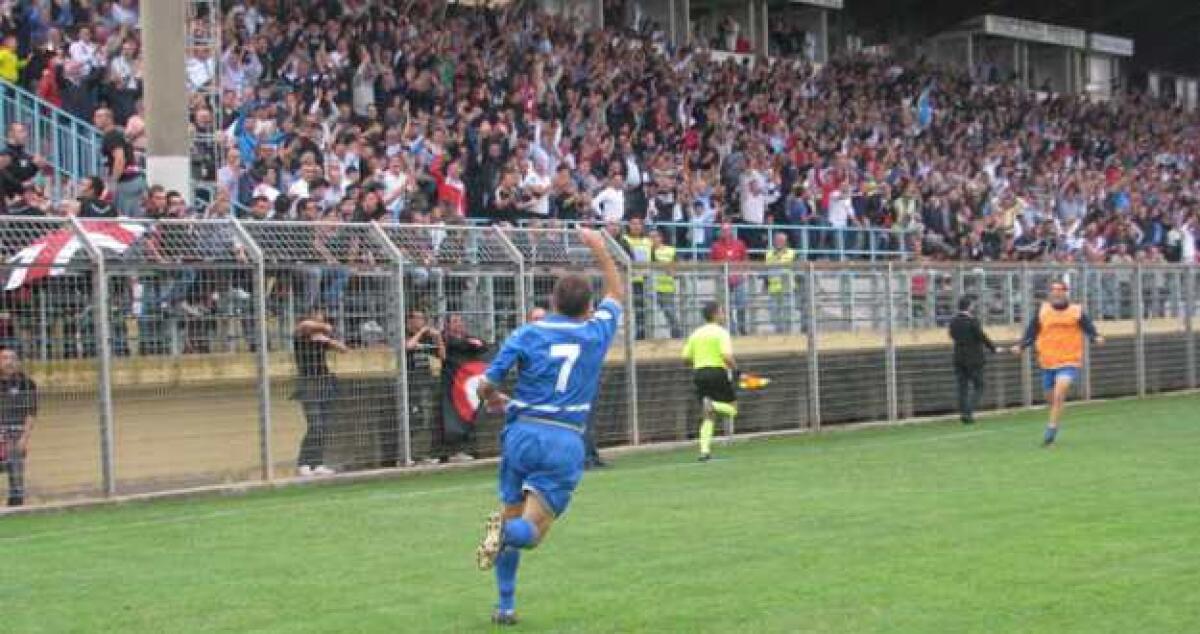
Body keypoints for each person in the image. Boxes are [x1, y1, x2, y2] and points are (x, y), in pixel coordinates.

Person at [475, 228, 624, 626]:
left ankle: (506, 605)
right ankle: (505, 534)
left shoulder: (528, 332)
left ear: (553, 302)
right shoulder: (596, 331)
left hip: (521, 432)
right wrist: (600, 248)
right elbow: (617, 292)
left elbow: (486, 383)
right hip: (563, 439)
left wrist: (492, 397)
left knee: (512, 513)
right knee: (530, 533)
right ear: (589, 307)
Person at [1011, 280, 1104, 446]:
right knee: (1052, 400)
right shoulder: (1043, 311)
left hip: (1069, 360)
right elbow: (1031, 332)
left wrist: (1096, 337)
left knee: (1060, 392)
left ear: (1066, 292)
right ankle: (1055, 418)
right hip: (1048, 362)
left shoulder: (1076, 311)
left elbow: (1088, 328)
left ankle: (1050, 432)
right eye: (1054, 290)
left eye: (1060, 290)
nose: (1057, 293)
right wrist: (1021, 346)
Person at [292, 307, 347, 477]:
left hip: (325, 383)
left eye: (321, 320)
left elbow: (343, 349)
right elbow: (305, 326)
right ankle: (303, 463)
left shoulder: (321, 339)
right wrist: (323, 328)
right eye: (317, 320)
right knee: (315, 426)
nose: (320, 323)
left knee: (324, 426)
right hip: (309, 384)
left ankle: (317, 463)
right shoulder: (300, 335)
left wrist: (326, 339)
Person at [682, 301, 738, 461]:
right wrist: (736, 369)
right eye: (722, 312)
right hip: (716, 372)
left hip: (699, 373)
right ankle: (713, 405)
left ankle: (704, 451)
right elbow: (726, 356)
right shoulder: (721, 333)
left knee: (708, 416)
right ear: (715, 315)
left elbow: (685, 358)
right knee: (733, 409)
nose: (724, 315)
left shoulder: (696, 333)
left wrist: (699, 361)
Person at [948, 296, 996, 425]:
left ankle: (963, 413)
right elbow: (982, 336)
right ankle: (968, 411)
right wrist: (993, 348)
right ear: (969, 306)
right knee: (979, 386)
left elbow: (952, 335)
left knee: (962, 387)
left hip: (959, 357)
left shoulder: (953, 321)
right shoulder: (972, 321)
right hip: (974, 358)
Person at [0, 347, 36, 506]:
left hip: (16, 432)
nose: (9, 362)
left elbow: (31, 413)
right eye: (5, 358)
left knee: (15, 472)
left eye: (12, 358)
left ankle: (16, 503)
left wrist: (24, 438)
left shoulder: (26, 383)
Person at [764, 231, 796, 334]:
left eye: (781, 240)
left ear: (786, 242)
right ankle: (778, 332)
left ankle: (789, 333)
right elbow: (766, 270)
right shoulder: (768, 254)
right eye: (777, 240)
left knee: (788, 312)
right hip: (773, 288)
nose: (779, 242)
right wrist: (765, 285)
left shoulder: (792, 253)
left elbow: (797, 269)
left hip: (787, 287)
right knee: (774, 313)